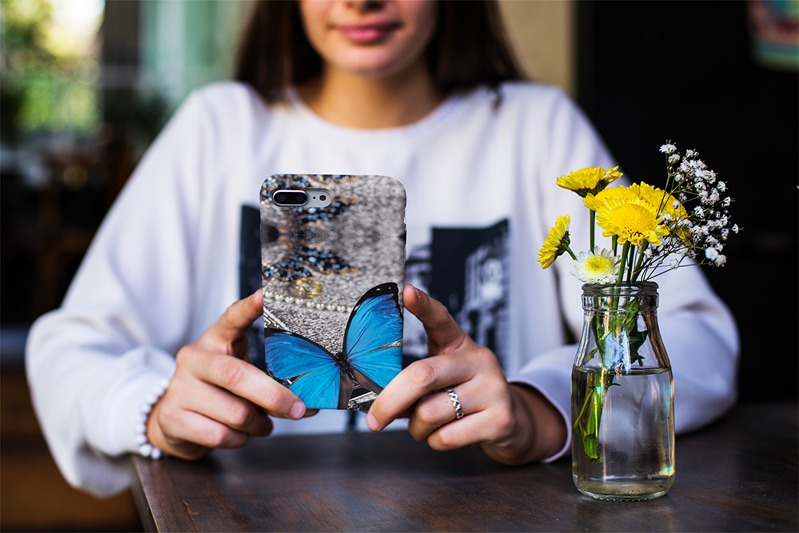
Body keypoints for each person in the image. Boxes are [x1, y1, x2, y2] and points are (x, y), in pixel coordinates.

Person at [25, 0, 739, 497]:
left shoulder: (536, 126)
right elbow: (70, 346)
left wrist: (540, 406)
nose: (361, 1)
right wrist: (154, 409)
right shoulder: (219, 127)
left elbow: (694, 336)